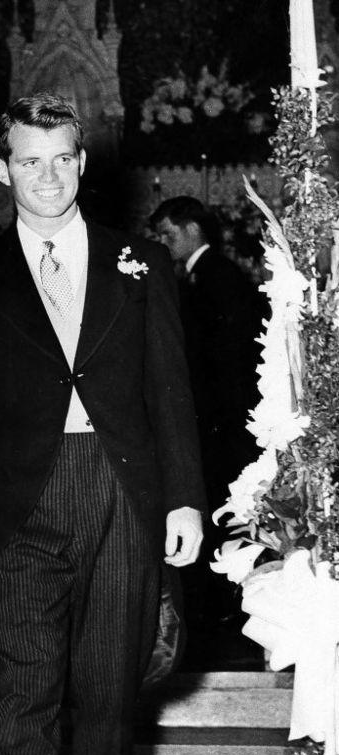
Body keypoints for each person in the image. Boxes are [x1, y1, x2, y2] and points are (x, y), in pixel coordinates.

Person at [0, 94, 206, 755]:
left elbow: (171, 389)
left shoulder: (140, 260)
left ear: (82, 161)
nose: (48, 174)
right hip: (23, 502)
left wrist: (183, 499)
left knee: (108, 692)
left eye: (62, 157)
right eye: (29, 160)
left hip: (123, 491)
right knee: (23, 701)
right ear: (2, 170)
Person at [150, 196, 263, 632]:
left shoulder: (215, 276)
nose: (164, 243)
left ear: (193, 229)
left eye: (168, 233)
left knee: (221, 506)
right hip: (219, 418)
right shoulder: (205, 274)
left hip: (223, 420)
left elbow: (224, 359)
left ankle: (223, 607)